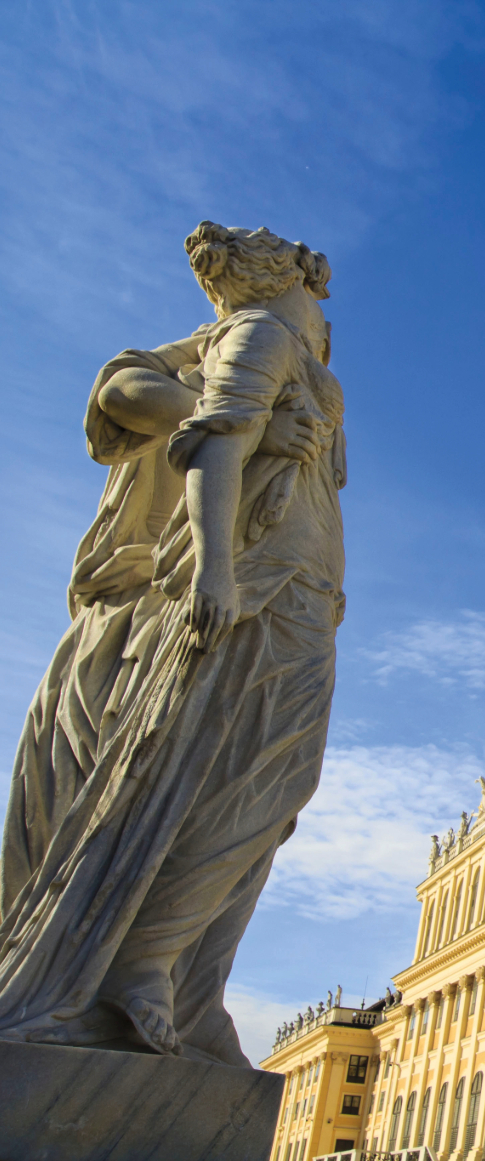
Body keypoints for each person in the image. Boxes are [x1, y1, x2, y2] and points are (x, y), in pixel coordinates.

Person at [0, 222, 346, 1065]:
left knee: (265, 786)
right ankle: (146, 964)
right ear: (292, 285)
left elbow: (165, 402)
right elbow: (203, 436)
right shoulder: (257, 336)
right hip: (258, 590)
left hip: (298, 594)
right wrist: (214, 569)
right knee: (234, 777)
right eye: (318, 298)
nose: (326, 320)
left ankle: (179, 979)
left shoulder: (265, 353)